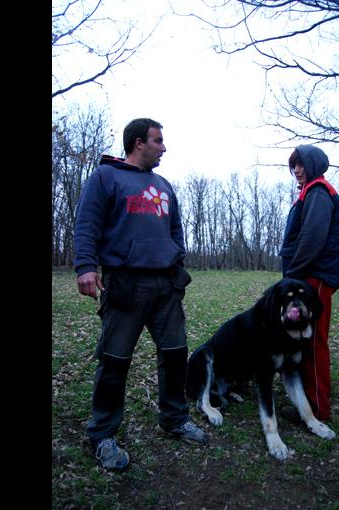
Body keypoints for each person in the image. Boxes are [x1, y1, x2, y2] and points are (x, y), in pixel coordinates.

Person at [73, 118, 207, 471]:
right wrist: (86, 266)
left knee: (177, 354)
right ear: (137, 143)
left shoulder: (163, 185)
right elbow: (87, 222)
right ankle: (102, 434)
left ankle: (174, 419)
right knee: (115, 361)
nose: (164, 147)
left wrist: (175, 255)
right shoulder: (106, 177)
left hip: (167, 286)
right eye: (158, 141)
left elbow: (176, 228)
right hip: (125, 285)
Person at [279, 144, 339, 423]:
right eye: (293, 166)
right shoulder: (309, 192)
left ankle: (318, 408)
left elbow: (312, 238)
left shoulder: (318, 191)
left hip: (314, 277)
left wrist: (292, 273)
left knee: (314, 339)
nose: (296, 170)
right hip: (307, 276)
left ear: (314, 164)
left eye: (301, 165)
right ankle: (309, 394)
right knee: (304, 337)